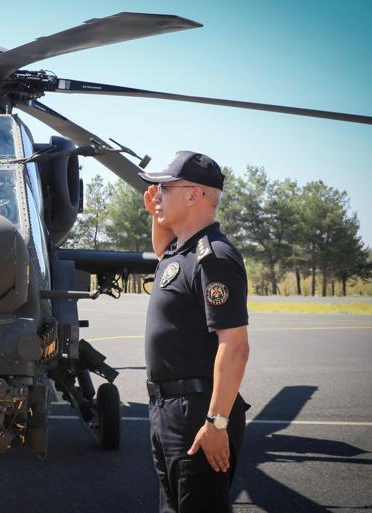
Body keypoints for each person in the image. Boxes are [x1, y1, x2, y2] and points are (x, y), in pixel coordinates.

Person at [140, 151, 251, 513]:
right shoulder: (181, 253)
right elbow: (163, 254)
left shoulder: (215, 258)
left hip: (197, 413)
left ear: (193, 195)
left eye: (165, 188)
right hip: (168, 410)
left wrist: (216, 422)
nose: (157, 194)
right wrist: (156, 214)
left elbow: (234, 346)